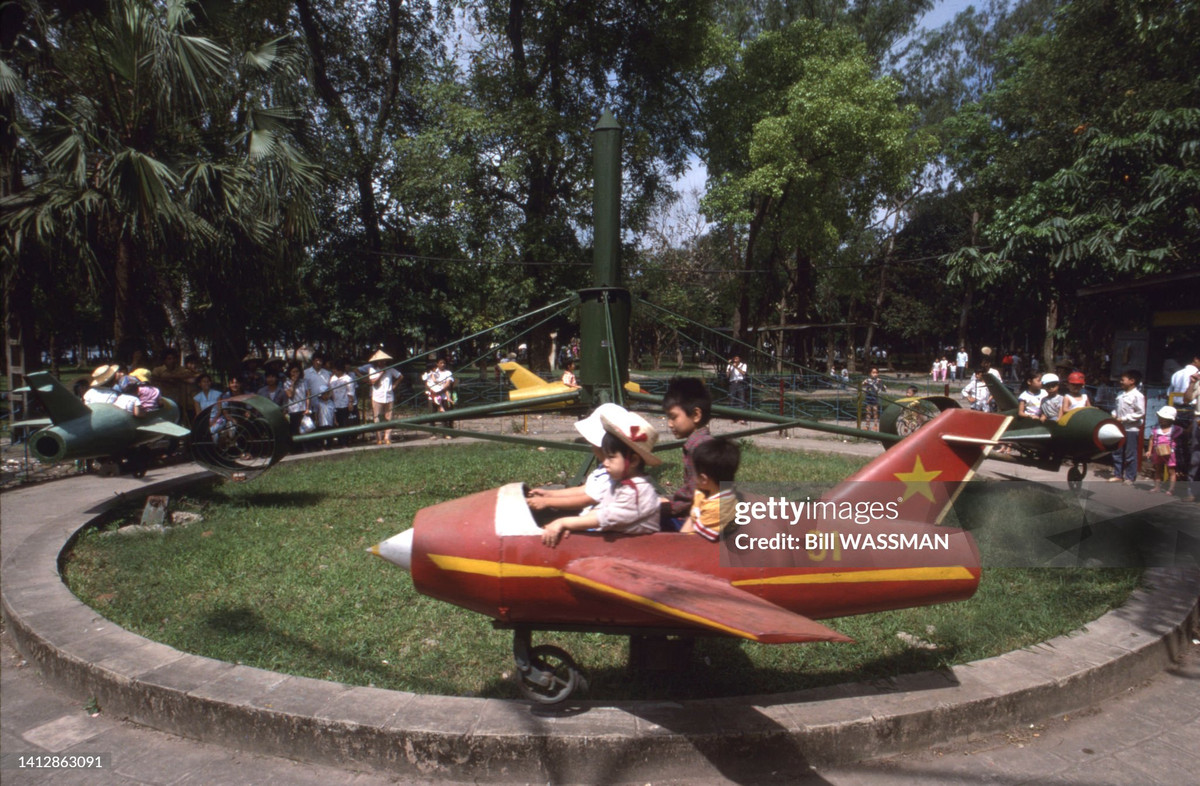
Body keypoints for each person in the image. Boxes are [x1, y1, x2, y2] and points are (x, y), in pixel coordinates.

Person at [540, 408, 663, 547]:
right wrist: (574, 525)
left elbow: (604, 518)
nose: (605, 462)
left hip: (637, 549)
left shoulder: (638, 492)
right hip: (618, 544)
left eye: (611, 457)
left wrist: (562, 522)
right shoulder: (620, 483)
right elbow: (598, 511)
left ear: (634, 460)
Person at [526, 403, 623, 515]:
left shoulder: (613, 475)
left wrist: (546, 502)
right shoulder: (606, 468)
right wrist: (549, 494)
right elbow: (586, 490)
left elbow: (586, 499)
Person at [660, 377, 714, 530]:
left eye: (673, 417)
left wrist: (662, 507)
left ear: (696, 415)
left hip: (695, 522)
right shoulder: (703, 442)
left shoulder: (698, 448)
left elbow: (692, 496)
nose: (670, 424)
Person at [679, 438, 741, 542]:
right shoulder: (711, 493)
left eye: (694, 473)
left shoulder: (717, 509)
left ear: (704, 479)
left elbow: (687, 540)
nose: (692, 477)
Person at [1168, 351, 1199, 502]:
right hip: (1196, 420)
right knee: (1195, 457)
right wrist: (1193, 383)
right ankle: (1191, 492)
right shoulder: (1197, 379)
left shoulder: (1177, 374)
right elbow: (1187, 399)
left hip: (1190, 417)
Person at [1110, 370, 1145, 485]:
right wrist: (1114, 414)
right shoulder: (1120, 394)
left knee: (1130, 453)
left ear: (1132, 381)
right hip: (1119, 427)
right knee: (1117, 451)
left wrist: (1124, 418)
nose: (1121, 382)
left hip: (1131, 429)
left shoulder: (1138, 396)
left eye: (1123, 380)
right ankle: (1117, 475)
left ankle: (1130, 477)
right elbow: (1116, 407)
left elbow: (1140, 412)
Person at [361, 350, 400, 445]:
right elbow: (373, 382)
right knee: (377, 417)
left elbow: (400, 376)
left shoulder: (390, 369)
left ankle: (387, 437)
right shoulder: (372, 370)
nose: (382, 363)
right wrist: (381, 373)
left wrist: (394, 385)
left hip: (389, 395)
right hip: (377, 396)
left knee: (389, 416)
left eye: (383, 361)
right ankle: (379, 438)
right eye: (380, 361)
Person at [1146, 406, 1182, 495]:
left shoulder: (1174, 429)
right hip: (1157, 452)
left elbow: (1182, 431)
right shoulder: (1156, 429)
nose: (1161, 420)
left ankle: (1171, 489)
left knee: (1171, 471)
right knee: (1158, 469)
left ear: (1170, 420)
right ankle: (1157, 487)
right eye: (1160, 418)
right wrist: (1149, 451)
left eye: (1164, 419)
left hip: (1169, 453)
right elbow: (1151, 439)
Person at [327, 360, 357, 442]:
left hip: (345, 404)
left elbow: (351, 391)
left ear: (339, 370)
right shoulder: (332, 379)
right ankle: (340, 440)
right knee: (338, 423)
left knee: (345, 423)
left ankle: (346, 441)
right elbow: (331, 391)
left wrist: (350, 402)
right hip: (335, 404)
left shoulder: (348, 379)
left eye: (335, 369)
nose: (333, 371)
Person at [282, 362, 310, 437]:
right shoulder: (286, 383)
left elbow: (308, 395)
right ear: (290, 373)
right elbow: (290, 395)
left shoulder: (304, 382)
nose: (295, 374)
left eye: (297, 371)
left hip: (303, 408)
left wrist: (307, 408)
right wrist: (293, 383)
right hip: (293, 410)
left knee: (305, 429)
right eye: (293, 372)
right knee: (294, 430)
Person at [726, 355, 748, 420]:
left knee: (741, 399)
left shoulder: (743, 365)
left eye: (737, 358)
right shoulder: (730, 365)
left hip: (740, 383)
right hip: (732, 383)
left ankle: (742, 418)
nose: (735, 359)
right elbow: (727, 375)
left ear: (739, 359)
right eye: (734, 358)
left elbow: (743, 373)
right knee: (731, 400)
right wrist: (730, 366)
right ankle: (732, 417)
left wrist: (736, 367)